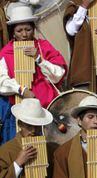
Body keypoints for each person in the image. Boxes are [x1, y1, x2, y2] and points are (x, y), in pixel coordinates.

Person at [0, 5, 67, 144]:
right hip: (19, 107)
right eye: (19, 31)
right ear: (13, 33)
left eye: (28, 29)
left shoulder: (44, 46)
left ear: (34, 30)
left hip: (46, 106)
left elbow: (58, 74)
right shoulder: (6, 52)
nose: (24, 35)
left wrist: (39, 59)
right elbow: (1, 80)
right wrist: (22, 90)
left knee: (47, 146)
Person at [63, 0, 97, 94]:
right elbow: (71, 30)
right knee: (84, 97)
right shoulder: (74, 4)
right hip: (83, 63)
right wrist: (84, 6)